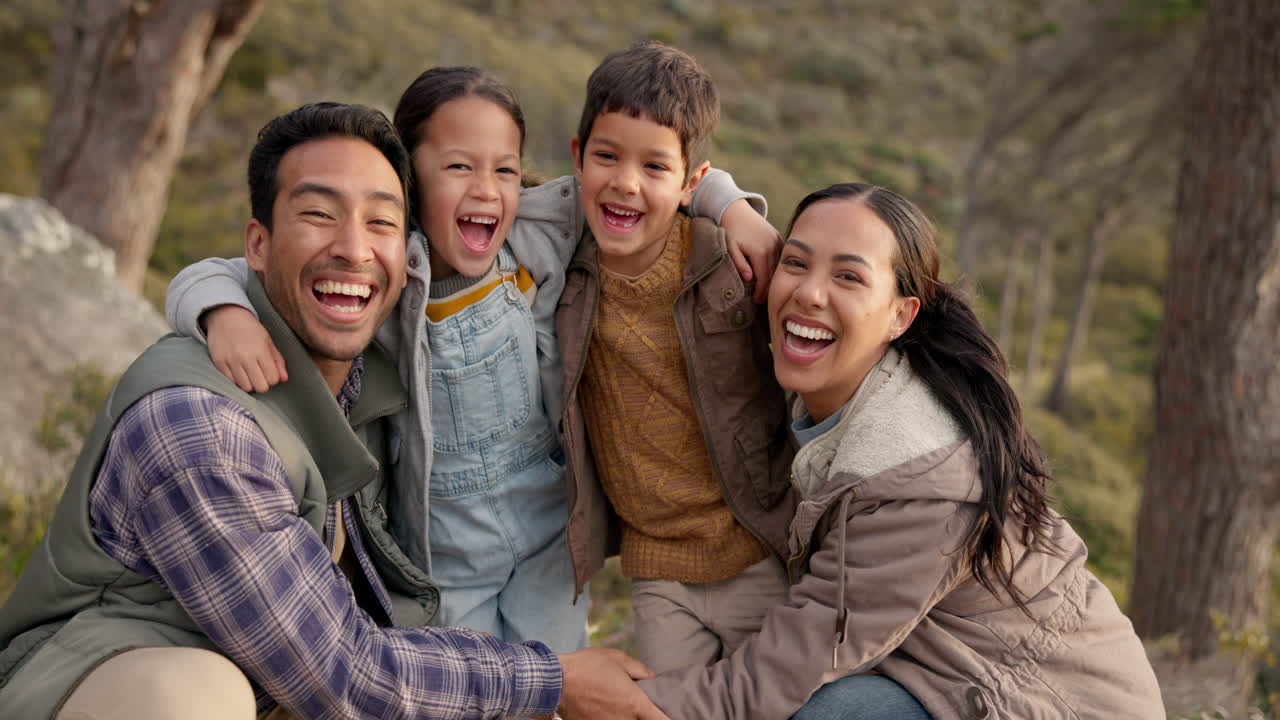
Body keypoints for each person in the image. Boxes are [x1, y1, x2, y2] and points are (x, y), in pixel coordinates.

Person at [0, 102, 667, 720]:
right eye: (319, 214)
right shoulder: (200, 429)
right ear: (257, 245)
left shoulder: (373, 367)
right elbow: (338, 675)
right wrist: (554, 679)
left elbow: (637, 183)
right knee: (193, 697)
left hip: (282, 689)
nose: (353, 247)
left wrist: (717, 203)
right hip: (101, 683)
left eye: (381, 221)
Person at [164, 67, 777, 652]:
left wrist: (732, 206)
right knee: (473, 689)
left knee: (555, 681)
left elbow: (644, 174)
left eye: (505, 169)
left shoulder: (536, 230)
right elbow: (214, 272)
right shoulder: (385, 270)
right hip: (446, 550)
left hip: (547, 533)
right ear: (409, 176)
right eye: (458, 166)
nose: (486, 189)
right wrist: (225, 313)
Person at [637, 182, 1166, 719]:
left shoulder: (917, 473)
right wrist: (728, 204)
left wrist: (616, 701)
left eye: (848, 276)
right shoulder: (837, 395)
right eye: (795, 263)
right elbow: (641, 163)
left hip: (1056, 704)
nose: (810, 293)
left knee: (827, 714)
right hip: (950, 676)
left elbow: (776, 676)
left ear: (901, 315)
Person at [555, 40, 797, 674]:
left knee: (781, 702)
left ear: (691, 182)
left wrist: (734, 206)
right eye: (607, 156)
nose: (626, 183)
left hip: (758, 548)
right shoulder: (559, 254)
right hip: (658, 570)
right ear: (578, 156)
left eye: (655, 167)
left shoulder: (726, 263)